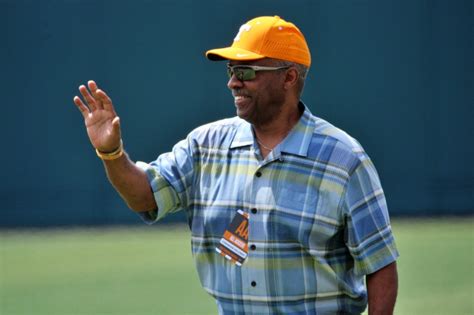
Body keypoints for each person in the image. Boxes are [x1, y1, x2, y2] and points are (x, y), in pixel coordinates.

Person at [73, 15, 398, 315]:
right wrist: (112, 152)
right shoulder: (205, 145)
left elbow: (380, 264)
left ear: (288, 77)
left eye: (246, 72)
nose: (233, 82)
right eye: (231, 71)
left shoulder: (343, 159)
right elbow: (145, 196)